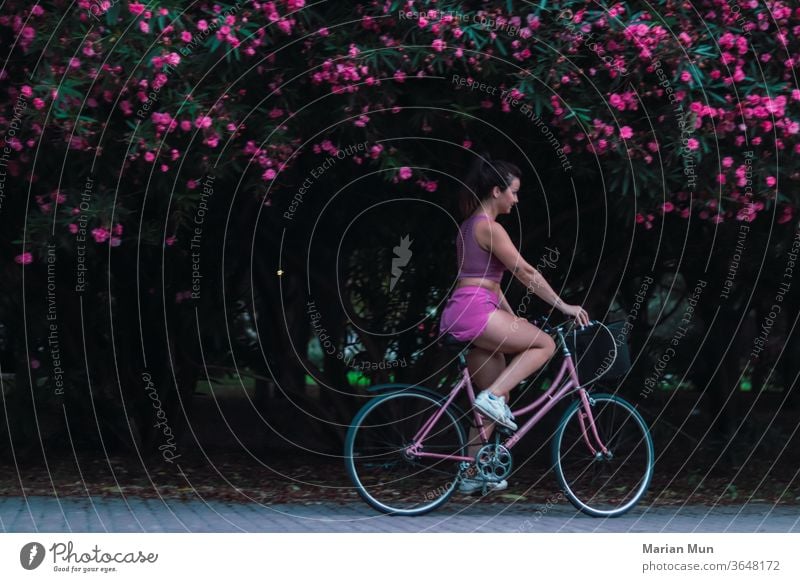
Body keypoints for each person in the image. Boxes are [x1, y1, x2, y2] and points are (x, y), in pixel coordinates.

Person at [439, 155, 590, 494]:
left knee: (493, 402)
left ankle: (472, 473)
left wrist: (514, 317)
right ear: (496, 191)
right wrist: (563, 305)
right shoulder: (489, 228)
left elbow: (489, 282)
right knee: (546, 344)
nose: (516, 199)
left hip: (467, 309)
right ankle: (491, 398)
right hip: (475, 312)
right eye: (514, 192)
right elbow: (525, 272)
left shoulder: (468, 226)